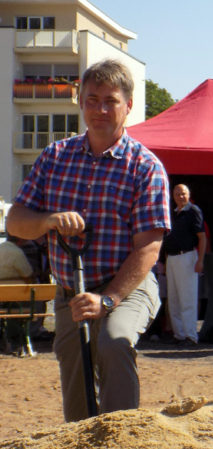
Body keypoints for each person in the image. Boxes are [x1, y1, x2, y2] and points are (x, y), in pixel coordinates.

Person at [6, 59, 171, 421]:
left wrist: (108, 299)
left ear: (128, 106)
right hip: (71, 291)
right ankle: (82, 446)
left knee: (114, 342)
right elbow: (16, 222)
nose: (100, 109)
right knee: (74, 368)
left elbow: (148, 248)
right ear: (80, 102)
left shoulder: (145, 167)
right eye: (92, 99)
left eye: (110, 101)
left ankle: (121, 437)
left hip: (127, 287)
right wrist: (47, 221)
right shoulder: (54, 157)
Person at [164, 184, 206, 345]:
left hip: (187, 256)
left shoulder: (193, 211)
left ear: (188, 195)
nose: (180, 197)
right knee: (173, 298)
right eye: (177, 194)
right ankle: (179, 334)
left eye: (183, 193)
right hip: (172, 257)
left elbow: (202, 237)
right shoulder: (173, 213)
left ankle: (190, 335)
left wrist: (200, 260)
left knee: (187, 297)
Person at [0, 235, 36, 353]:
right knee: (19, 305)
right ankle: (18, 341)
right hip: (15, 299)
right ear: (21, 239)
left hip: (1, 298)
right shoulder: (17, 252)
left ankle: (5, 340)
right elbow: (28, 274)